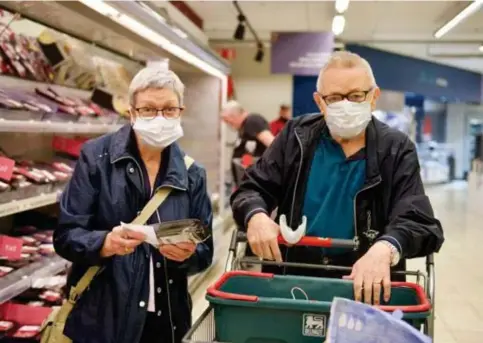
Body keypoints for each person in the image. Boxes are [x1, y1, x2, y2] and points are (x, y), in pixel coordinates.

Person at [230, 51, 444, 305]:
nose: (345, 105)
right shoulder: (296, 138)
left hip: (366, 286)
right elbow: (251, 189)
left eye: (355, 96)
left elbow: (419, 221)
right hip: (295, 280)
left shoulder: (395, 149)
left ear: (373, 97)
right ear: (320, 102)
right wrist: (256, 216)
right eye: (334, 98)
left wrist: (386, 248)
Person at [53, 67, 213, 343]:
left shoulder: (192, 174)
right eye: (149, 109)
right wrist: (105, 243)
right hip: (104, 320)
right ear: (132, 112)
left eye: (169, 109)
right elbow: (66, 236)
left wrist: (189, 254)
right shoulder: (97, 159)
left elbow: (205, 251)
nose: (160, 118)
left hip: (166, 322)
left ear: (180, 112)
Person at [221, 100, 274, 184]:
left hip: (257, 182)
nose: (228, 124)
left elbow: (273, 145)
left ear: (234, 115)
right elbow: (249, 151)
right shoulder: (243, 127)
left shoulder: (253, 121)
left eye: (228, 120)